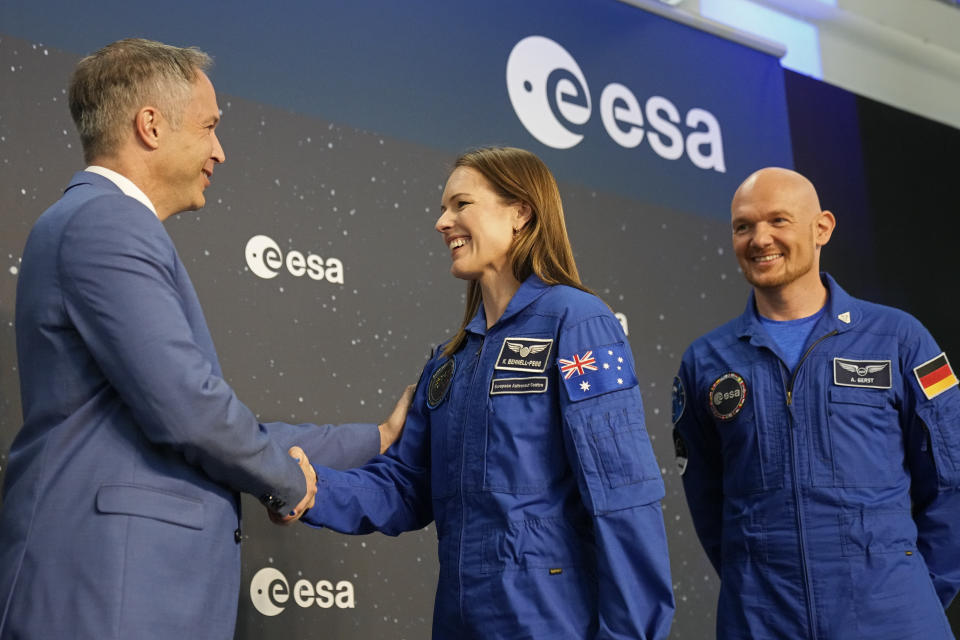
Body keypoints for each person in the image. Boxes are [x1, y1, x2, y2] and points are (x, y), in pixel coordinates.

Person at [0, 38, 410, 640]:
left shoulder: (100, 223)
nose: (220, 150)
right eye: (210, 126)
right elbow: (190, 411)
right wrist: (293, 485)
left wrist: (374, 440)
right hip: (109, 592)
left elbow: (193, 416)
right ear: (150, 126)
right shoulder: (106, 222)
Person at [298, 146, 674, 638]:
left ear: (521, 212)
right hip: (461, 619)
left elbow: (621, 496)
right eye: (442, 208)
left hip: (548, 620)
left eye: (461, 204)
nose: (441, 222)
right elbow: (405, 487)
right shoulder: (449, 360)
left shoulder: (575, 321)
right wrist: (304, 488)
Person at [672, 167, 960, 639]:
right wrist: (754, 583)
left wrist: (918, 593)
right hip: (762, 620)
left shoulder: (899, 338)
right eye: (743, 226)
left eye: (778, 221)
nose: (759, 238)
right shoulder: (706, 361)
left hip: (891, 616)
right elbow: (708, 501)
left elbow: (952, 478)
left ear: (822, 227)